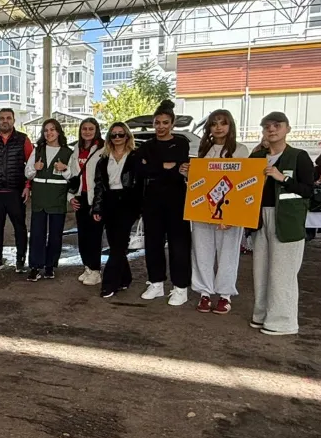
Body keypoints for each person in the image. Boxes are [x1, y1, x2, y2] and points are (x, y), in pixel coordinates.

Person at [250, 111, 314, 336]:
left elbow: (309, 191)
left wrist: (283, 178)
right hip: (259, 220)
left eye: (277, 125)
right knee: (261, 270)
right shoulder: (256, 158)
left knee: (283, 272)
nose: (271, 129)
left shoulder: (299, 156)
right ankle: (261, 314)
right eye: (267, 126)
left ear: (287, 128)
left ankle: (282, 321)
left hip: (287, 221)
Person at [189, 110, 250, 315]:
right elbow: (200, 181)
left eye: (223, 123)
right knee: (202, 252)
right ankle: (204, 293)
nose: (218, 127)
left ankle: (225, 295)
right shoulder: (202, 150)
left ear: (230, 126)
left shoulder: (241, 150)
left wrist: (230, 215)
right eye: (214, 123)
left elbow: (243, 183)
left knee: (228, 254)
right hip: (203, 209)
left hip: (230, 210)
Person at [136, 99, 192, 306]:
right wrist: (165, 166)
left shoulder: (181, 142)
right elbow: (140, 169)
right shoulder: (147, 146)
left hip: (177, 200)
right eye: (157, 122)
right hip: (152, 201)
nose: (161, 126)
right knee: (153, 243)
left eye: (165, 122)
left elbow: (180, 167)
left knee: (179, 244)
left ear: (172, 123)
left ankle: (180, 287)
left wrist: (155, 167)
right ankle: (156, 283)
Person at [91, 123, 142, 298]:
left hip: (128, 202)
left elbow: (141, 184)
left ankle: (109, 283)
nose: (117, 138)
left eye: (121, 134)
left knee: (119, 244)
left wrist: (140, 207)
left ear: (127, 136)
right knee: (115, 244)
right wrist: (97, 207)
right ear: (109, 138)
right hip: (109, 201)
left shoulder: (135, 157)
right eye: (114, 135)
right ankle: (125, 278)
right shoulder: (103, 159)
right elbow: (99, 186)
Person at [0, 108, 32, 272]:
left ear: (13, 120)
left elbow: (31, 165)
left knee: (20, 227)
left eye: (8, 118)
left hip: (16, 192)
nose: (5, 120)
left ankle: (21, 259)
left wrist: (28, 186)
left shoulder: (23, 139)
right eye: (2, 118)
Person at [24, 119, 73, 281]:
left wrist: (64, 169)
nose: (49, 133)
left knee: (55, 235)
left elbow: (73, 177)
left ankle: (50, 266)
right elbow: (27, 173)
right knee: (37, 233)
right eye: (46, 130)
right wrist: (34, 169)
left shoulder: (68, 152)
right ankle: (35, 266)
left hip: (58, 198)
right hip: (40, 197)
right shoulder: (38, 150)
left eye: (52, 129)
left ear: (58, 131)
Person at [68, 118, 105, 286]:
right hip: (81, 197)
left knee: (94, 236)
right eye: (84, 129)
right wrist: (71, 197)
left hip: (96, 198)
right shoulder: (76, 148)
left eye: (91, 128)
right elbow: (71, 175)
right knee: (82, 236)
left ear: (96, 130)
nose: (87, 132)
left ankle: (96, 270)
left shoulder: (103, 149)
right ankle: (87, 267)